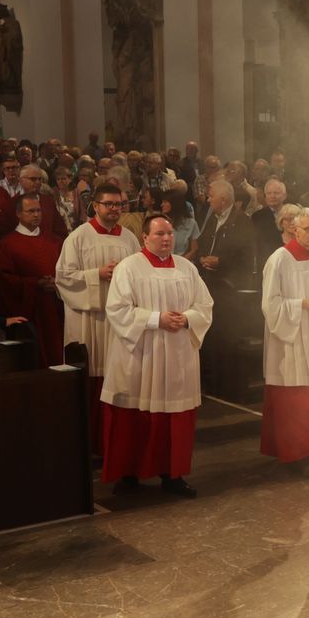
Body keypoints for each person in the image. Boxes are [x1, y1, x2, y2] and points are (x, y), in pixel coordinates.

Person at [101, 211, 211, 494]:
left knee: (175, 417)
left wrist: (186, 318)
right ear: (145, 237)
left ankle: (172, 475)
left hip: (177, 353)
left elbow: (204, 305)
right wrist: (156, 319)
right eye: (160, 234)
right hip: (142, 353)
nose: (166, 238)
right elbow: (117, 309)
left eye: (170, 233)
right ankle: (129, 477)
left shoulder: (187, 267)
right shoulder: (129, 267)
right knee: (136, 415)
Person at [53, 182, 137, 438]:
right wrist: (97, 274)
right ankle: (89, 439)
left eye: (119, 204)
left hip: (117, 321)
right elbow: (62, 278)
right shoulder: (78, 236)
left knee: (118, 376)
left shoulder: (129, 237)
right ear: (96, 206)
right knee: (90, 376)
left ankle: (114, 437)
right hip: (88, 319)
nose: (114, 209)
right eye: (108, 204)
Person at [259, 206, 309, 465]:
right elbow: (270, 304)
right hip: (291, 336)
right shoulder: (279, 259)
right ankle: (302, 454)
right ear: (294, 229)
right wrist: (303, 304)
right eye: (308, 229)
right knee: (298, 399)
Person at [0, 192, 64, 366]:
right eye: (30, 211)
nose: (36, 215)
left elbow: (68, 271)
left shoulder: (55, 241)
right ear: (18, 214)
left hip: (55, 307)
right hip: (29, 309)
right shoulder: (7, 243)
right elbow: (4, 279)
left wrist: (58, 283)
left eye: (38, 211)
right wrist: (35, 284)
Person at [189, 177, 255, 286]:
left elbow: (245, 255)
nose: (208, 200)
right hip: (207, 278)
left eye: (211, 196)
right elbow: (202, 243)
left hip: (230, 281)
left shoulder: (242, 221)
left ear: (223, 200)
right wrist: (201, 258)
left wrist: (220, 262)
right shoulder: (212, 218)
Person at [249, 177, 288, 264]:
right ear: (265, 196)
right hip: (267, 261)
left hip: (289, 259)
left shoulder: (292, 213)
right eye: (269, 193)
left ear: (284, 195)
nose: (272, 196)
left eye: (276, 193)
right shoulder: (257, 217)